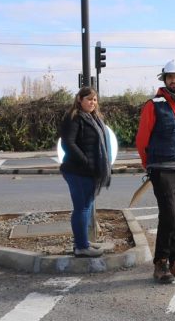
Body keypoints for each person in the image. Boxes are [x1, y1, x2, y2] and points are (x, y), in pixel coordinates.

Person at [136, 59, 175, 284]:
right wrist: (149, 165)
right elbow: (142, 138)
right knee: (169, 216)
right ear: (165, 79)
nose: (174, 80)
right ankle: (160, 262)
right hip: (161, 169)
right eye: (170, 77)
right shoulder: (153, 105)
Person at [60, 86, 112, 258]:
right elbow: (68, 143)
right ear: (79, 100)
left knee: (86, 207)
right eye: (89, 99)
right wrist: (85, 161)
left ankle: (82, 242)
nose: (92, 102)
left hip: (90, 171)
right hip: (78, 171)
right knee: (81, 208)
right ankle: (81, 247)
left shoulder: (94, 118)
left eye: (95, 99)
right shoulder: (74, 117)